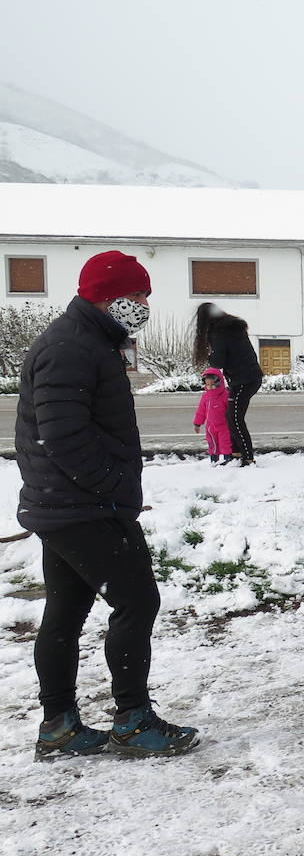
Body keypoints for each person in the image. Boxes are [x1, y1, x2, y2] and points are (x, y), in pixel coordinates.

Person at [17, 250, 200, 759]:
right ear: (108, 297)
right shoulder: (71, 347)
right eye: (136, 296)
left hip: (67, 505)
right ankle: (132, 718)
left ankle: (59, 726)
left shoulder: (88, 340)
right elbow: (64, 439)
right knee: (137, 600)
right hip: (84, 508)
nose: (143, 305)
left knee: (67, 610)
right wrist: (116, 488)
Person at [193, 303, 263, 466]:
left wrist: (210, 355)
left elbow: (217, 362)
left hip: (243, 380)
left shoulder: (219, 333)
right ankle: (237, 453)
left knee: (234, 418)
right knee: (231, 416)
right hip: (249, 377)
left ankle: (247, 457)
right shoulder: (233, 328)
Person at [192, 367, 232, 465]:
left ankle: (227, 460)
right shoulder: (206, 396)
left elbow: (230, 410)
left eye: (213, 384)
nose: (209, 387)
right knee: (212, 444)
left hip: (224, 426)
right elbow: (201, 411)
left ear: (219, 383)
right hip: (210, 427)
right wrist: (197, 423)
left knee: (225, 443)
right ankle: (214, 460)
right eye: (207, 384)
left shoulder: (225, 395)